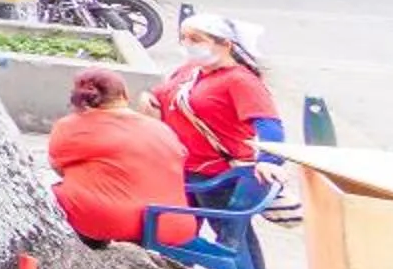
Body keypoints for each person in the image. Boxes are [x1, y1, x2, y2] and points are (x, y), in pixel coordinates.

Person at [149, 13, 283, 208]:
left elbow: (268, 122)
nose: (187, 44)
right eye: (183, 38)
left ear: (226, 45)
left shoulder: (241, 81)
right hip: (181, 168)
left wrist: (269, 160)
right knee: (176, 233)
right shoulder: (190, 69)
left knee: (230, 234)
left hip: (219, 175)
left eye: (195, 40)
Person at [50, 70, 193, 246]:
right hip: (173, 224)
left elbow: (58, 167)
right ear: (124, 94)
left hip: (109, 223)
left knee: (51, 192)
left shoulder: (70, 126)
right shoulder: (161, 128)